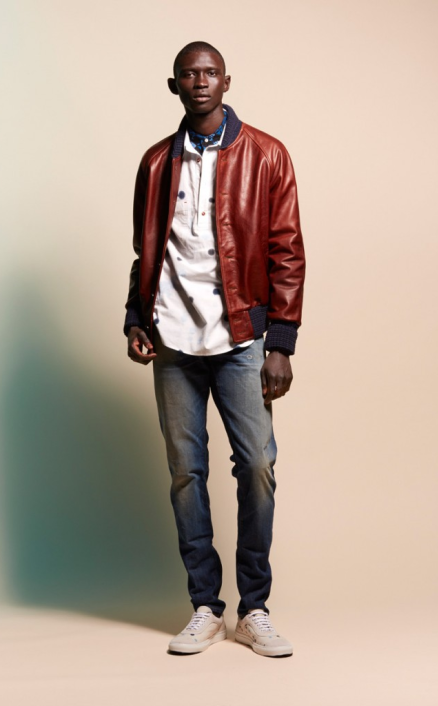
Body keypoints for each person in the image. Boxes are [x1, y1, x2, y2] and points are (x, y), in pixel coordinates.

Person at [124, 41, 306, 657]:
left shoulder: (267, 154)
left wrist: (281, 342)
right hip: (173, 341)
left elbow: (287, 249)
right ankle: (205, 605)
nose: (200, 82)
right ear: (173, 85)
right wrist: (136, 318)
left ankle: (254, 610)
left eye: (209, 73)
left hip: (242, 338)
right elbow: (146, 250)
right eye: (188, 74)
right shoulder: (156, 163)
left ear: (226, 82)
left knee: (256, 465)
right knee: (186, 473)